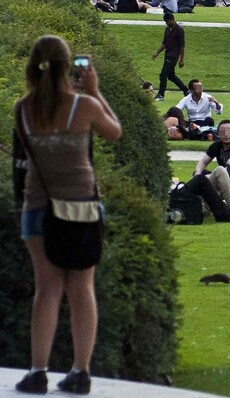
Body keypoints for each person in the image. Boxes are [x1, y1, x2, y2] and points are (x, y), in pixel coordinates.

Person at [13, 35, 122, 394]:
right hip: (81, 206)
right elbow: (114, 133)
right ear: (68, 66)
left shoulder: (23, 109)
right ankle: (80, 371)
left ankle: (38, 371)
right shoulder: (83, 106)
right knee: (81, 287)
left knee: (46, 290)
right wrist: (95, 91)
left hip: (37, 206)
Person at [151, 13, 188, 102]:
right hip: (168, 54)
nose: (166, 23)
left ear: (172, 19)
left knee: (163, 74)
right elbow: (164, 43)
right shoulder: (167, 29)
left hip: (173, 55)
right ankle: (186, 90)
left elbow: (182, 46)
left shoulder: (179, 30)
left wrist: (181, 59)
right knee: (171, 76)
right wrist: (157, 52)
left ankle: (161, 94)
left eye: (167, 21)